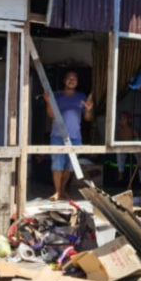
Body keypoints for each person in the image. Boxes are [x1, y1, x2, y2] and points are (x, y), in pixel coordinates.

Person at [44, 70, 93, 201]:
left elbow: (87, 118)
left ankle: (62, 190)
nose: (71, 81)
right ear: (64, 80)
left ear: (77, 82)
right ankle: (57, 192)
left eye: (74, 79)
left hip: (75, 137)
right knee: (57, 165)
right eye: (69, 78)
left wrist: (88, 110)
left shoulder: (81, 97)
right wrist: (48, 102)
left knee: (70, 166)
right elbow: (51, 115)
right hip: (58, 136)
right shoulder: (56, 96)